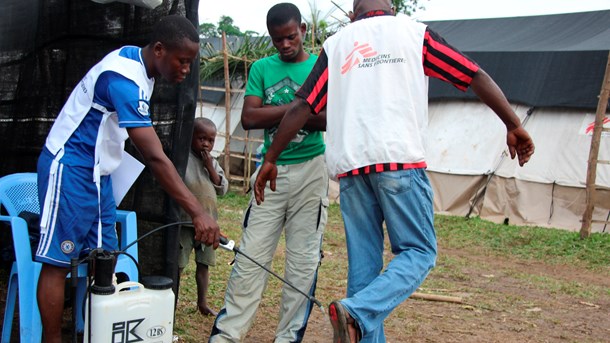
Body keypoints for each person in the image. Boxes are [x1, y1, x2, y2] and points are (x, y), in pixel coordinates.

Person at [254, 1, 536, 342]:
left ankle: (354, 314)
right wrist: (513, 122)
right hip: (398, 163)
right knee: (419, 251)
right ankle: (356, 313)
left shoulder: (338, 43)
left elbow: (302, 105)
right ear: (389, 4)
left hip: (352, 172)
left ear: (354, 10)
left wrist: (270, 158)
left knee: (364, 275)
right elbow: (472, 74)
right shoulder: (415, 34)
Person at [35, 15, 222, 342]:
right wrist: (197, 212)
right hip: (70, 168)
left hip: (99, 174)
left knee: (105, 260)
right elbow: (154, 157)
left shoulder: (140, 67)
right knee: (58, 261)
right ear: (160, 50)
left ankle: (97, 334)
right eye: (183, 61)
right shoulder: (123, 79)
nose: (186, 70)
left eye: (190, 63)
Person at [209, 3, 328, 342]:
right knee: (250, 258)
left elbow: (328, 118)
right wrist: (302, 108)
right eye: (278, 40)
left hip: (310, 170)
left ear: (303, 30)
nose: (285, 45)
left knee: (303, 264)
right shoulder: (262, 67)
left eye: (290, 37)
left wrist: (274, 112)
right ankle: (226, 336)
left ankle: (288, 338)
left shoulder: (321, 65)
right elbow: (249, 119)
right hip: (269, 173)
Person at [178, 117, 228, 317]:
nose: (206, 144)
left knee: (204, 264)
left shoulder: (213, 163)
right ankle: (170, 299)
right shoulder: (183, 159)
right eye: (201, 138)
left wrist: (209, 167)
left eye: (210, 140)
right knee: (179, 264)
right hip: (184, 222)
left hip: (209, 225)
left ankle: (203, 303)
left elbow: (223, 188)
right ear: (190, 137)